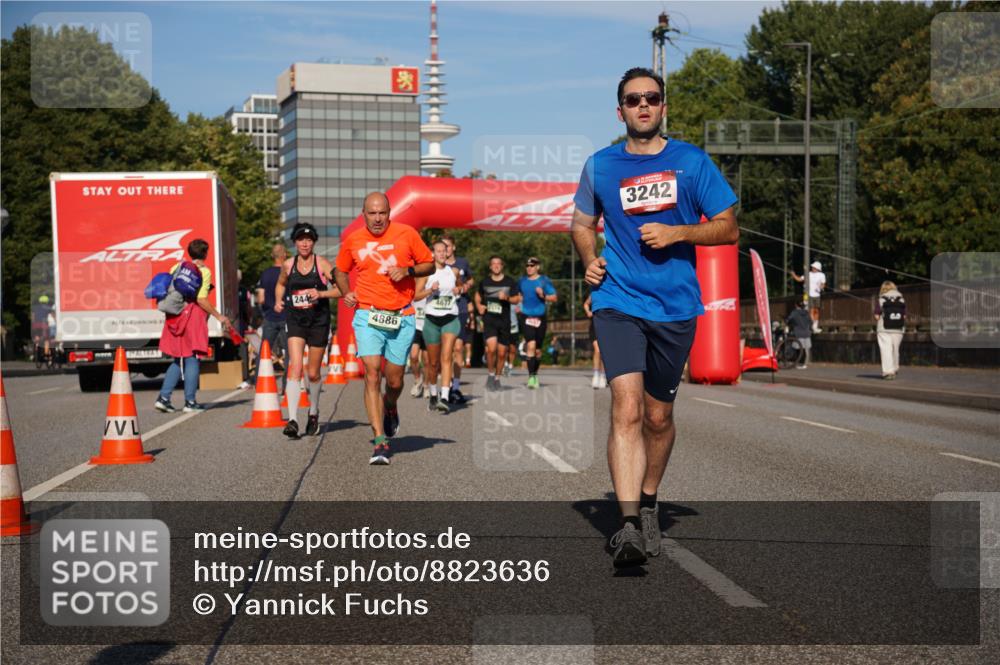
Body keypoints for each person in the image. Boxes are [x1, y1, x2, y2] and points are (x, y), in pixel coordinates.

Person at [571, 66, 739, 568]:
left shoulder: (691, 161)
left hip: (675, 306)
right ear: (619, 110)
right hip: (618, 300)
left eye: (651, 97)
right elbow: (581, 224)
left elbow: (729, 228)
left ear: (663, 106)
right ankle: (626, 527)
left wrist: (679, 234)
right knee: (625, 409)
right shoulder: (600, 165)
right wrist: (588, 260)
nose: (642, 105)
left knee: (658, 417)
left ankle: (648, 500)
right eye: (632, 99)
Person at [335, 192, 434, 465]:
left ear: (389, 212)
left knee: (394, 381)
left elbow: (430, 263)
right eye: (371, 213)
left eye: (382, 213)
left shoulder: (407, 233)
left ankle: (390, 405)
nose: (377, 218)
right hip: (368, 314)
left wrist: (408, 271)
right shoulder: (353, 240)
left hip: (401, 315)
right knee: (371, 373)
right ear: (363, 213)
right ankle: (380, 440)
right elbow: (340, 271)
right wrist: (346, 293)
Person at [274, 223, 339, 439]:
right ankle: (292, 420)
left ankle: (313, 413)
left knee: (312, 372)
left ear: (313, 242)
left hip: (318, 322)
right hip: (296, 321)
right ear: (294, 242)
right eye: (301, 239)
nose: (305, 243)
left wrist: (320, 295)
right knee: (294, 366)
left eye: (309, 240)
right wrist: (278, 301)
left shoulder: (322, 264)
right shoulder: (288, 265)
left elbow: (340, 289)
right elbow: (281, 285)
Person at [155, 239, 233, 413]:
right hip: (192, 316)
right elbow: (201, 299)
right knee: (192, 358)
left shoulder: (176, 267)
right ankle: (190, 402)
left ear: (189, 252)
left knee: (178, 357)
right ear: (205, 253)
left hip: (174, 316)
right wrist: (219, 316)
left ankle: (164, 397)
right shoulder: (204, 271)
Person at [414, 239, 463, 412]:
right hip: (432, 320)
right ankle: (433, 395)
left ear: (448, 252)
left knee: (447, 356)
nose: (442, 253)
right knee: (433, 363)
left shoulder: (454, 271)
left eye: (445, 250)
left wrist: (460, 290)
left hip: (450, 318)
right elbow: (416, 296)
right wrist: (430, 290)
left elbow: (459, 287)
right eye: (439, 251)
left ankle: (444, 396)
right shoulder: (427, 273)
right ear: (433, 254)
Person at [475, 256, 521, 391]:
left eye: (498, 264)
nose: (496, 266)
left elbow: (517, 299)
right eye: (493, 264)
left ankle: (497, 378)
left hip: (504, 321)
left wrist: (506, 297)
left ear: (502, 266)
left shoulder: (510, 282)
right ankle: (490, 373)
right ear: (490, 267)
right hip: (489, 320)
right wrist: (479, 306)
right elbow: (478, 295)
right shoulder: (485, 282)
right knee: (491, 349)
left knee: (502, 353)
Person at [441, 234, 473, 403]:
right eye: (442, 246)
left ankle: (456, 387)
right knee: (445, 350)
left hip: (459, 309)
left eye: (448, 246)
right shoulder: (438, 265)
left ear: (453, 248)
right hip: (442, 310)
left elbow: (471, 278)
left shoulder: (462, 263)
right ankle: (445, 383)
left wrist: (467, 285)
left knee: (458, 348)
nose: (445, 250)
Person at [518, 256, 558, 389]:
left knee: (538, 350)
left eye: (532, 265)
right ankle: (531, 377)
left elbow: (554, 297)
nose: (529, 268)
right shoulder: (522, 281)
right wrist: (518, 303)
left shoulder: (544, 281)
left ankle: (535, 374)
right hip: (526, 316)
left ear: (537, 267)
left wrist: (543, 295)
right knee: (531, 345)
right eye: (528, 266)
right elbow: (518, 295)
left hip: (540, 317)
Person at [254, 243, 289, 390]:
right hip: (287, 317)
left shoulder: (265, 273)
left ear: (271, 256)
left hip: (270, 317)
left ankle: (260, 384)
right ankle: (287, 385)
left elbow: (260, 298)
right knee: (290, 353)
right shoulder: (288, 272)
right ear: (285, 255)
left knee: (264, 351)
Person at [874, 280, 906, 380]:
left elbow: (876, 316)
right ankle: (895, 368)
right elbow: (904, 316)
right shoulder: (901, 299)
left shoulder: (881, 299)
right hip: (898, 328)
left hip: (884, 329)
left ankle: (888, 372)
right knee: (895, 349)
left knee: (886, 349)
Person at [791, 261, 826, 333]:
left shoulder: (822, 275)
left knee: (816, 310)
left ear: (818, 268)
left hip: (817, 295)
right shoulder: (808, 274)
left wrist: (821, 287)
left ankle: (815, 326)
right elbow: (799, 279)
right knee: (811, 309)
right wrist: (793, 275)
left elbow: (823, 284)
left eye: (814, 267)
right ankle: (811, 325)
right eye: (813, 267)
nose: (813, 268)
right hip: (807, 295)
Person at [584, 289, 607, 388]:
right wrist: (588, 311)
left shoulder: (612, 293)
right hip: (595, 323)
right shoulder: (595, 293)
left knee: (604, 352)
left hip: (607, 324)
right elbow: (586, 304)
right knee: (597, 350)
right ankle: (596, 375)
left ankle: (603, 375)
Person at [408, 294, 428, 398]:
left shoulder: (432, 289)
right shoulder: (413, 290)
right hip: (415, 327)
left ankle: (426, 386)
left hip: (428, 328)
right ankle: (417, 380)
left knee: (427, 361)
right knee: (413, 356)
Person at [785, 300, 813, 369]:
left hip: (798, 333)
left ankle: (797, 363)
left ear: (796, 305)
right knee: (805, 349)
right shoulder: (806, 313)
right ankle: (804, 364)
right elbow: (811, 322)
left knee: (797, 348)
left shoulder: (794, 313)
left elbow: (788, 320)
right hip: (806, 333)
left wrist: (790, 324)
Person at [31, 295, 54, 364]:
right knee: (46, 340)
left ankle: (36, 348)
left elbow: (33, 317)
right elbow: (52, 316)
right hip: (44, 325)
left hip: (35, 325)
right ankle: (46, 354)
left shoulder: (35, 308)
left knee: (37, 337)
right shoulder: (48, 308)